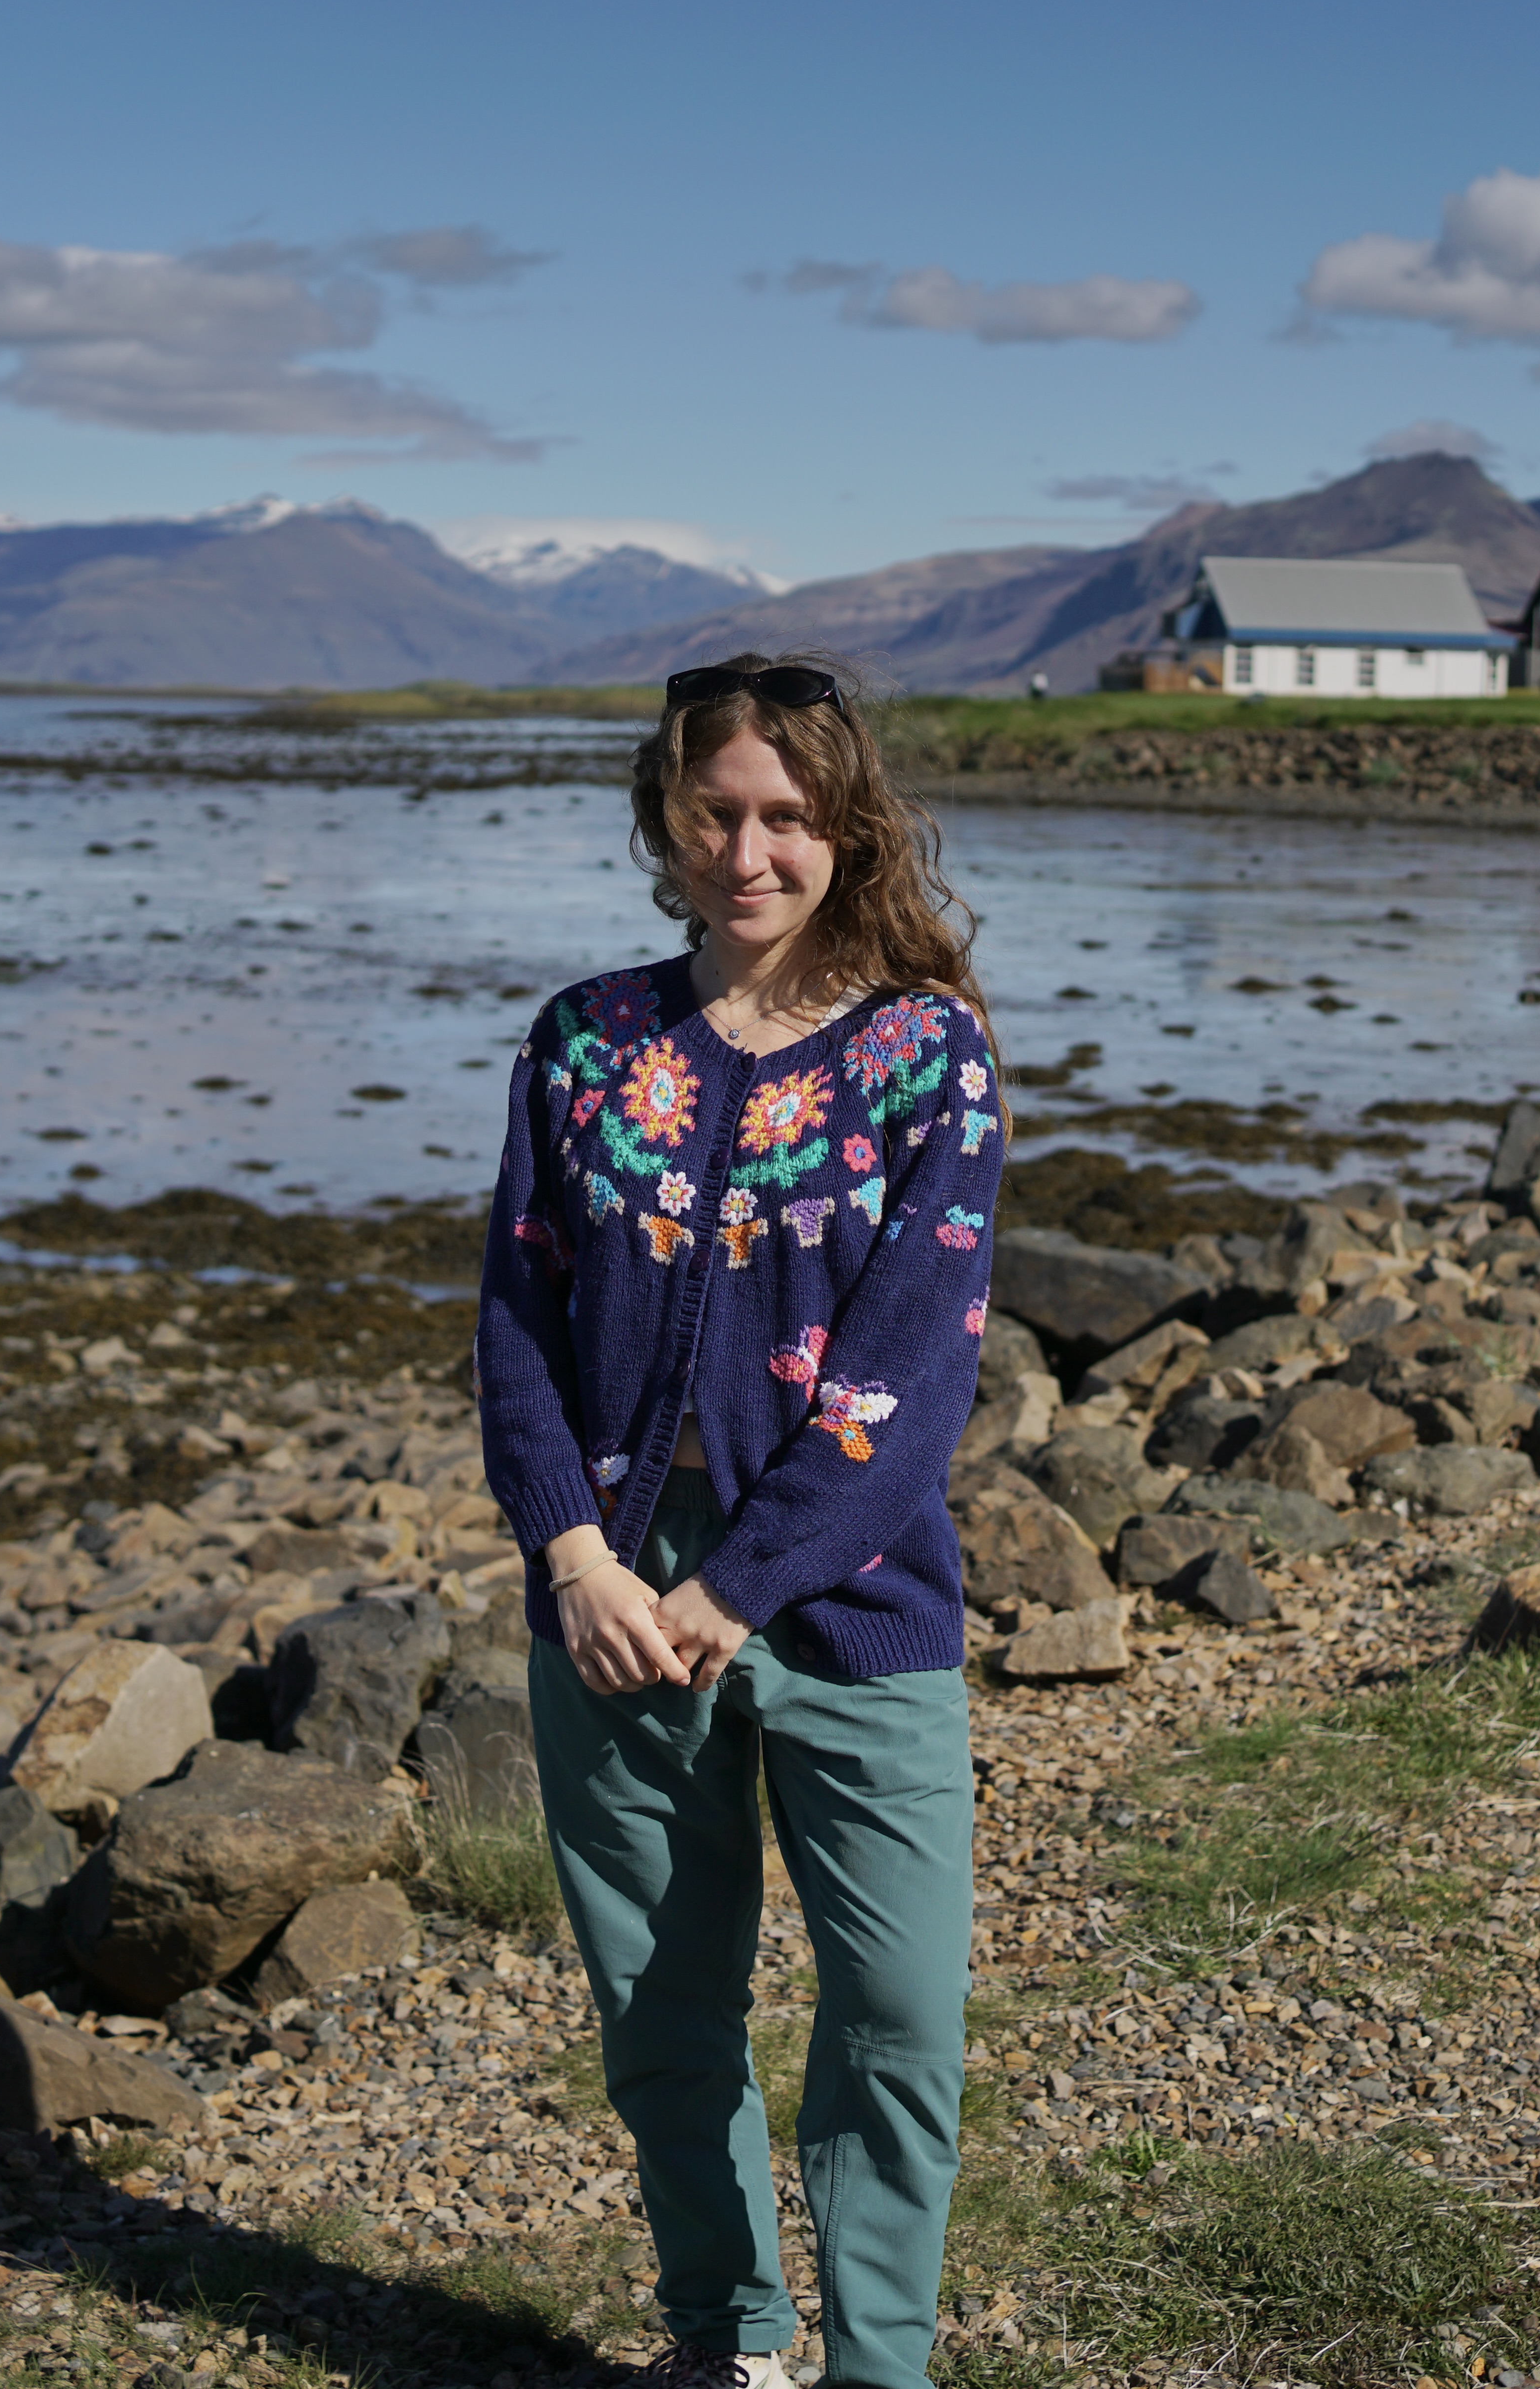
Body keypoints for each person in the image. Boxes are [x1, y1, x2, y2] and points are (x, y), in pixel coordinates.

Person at [473, 652, 1003, 2389]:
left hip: (852, 1600)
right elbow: (516, 1325)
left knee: (904, 2014)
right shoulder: (580, 1041)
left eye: (788, 817)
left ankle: (879, 2367)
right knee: (665, 2019)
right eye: (717, 813)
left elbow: (906, 1377)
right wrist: (572, 1557)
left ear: (847, 832)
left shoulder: (929, 1056)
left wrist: (740, 1590)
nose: (749, 852)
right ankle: (726, 2342)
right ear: (665, 818)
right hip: (613, 1598)